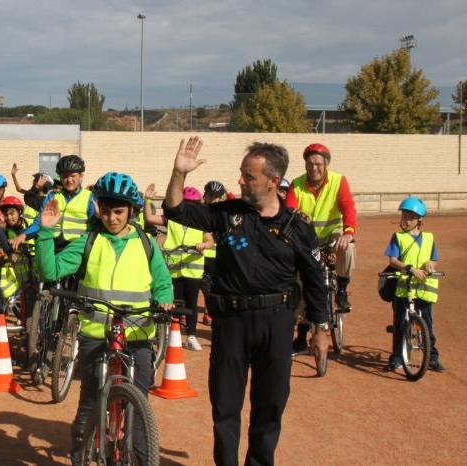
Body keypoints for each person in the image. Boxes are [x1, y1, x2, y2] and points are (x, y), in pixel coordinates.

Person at [162, 137, 328, 466]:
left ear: (274, 181)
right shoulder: (227, 214)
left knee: (270, 408)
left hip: (276, 322)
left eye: (248, 176)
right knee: (225, 408)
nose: (239, 180)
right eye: (241, 173)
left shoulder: (298, 227)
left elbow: (315, 280)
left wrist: (321, 327)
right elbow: (175, 209)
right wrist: (179, 173)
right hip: (231, 324)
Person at [36, 172, 174, 464]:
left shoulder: (147, 244)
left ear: (131, 212)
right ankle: (79, 456)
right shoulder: (89, 241)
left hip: (137, 335)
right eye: (107, 210)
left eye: (119, 211)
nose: (112, 218)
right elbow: (50, 271)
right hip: (96, 334)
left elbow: (162, 281)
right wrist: (46, 232)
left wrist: (165, 299)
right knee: (90, 403)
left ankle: (138, 459)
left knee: (138, 409)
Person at [286, 143, 357, 354]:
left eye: (318, 163)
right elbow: (289, 211)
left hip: (332, 235)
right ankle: (301, 335)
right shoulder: (297, 184)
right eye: (310, 164)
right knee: (301, 283)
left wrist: (348, 232)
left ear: (326, 164)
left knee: (349, 249)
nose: (314, 168)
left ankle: (342, 288)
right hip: (306, 240)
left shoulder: (338, 181)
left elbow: (348, 207)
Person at [385, 197, 445, 372]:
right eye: (404, 215)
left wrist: (430, 265)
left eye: (410, 217)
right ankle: (396, 358)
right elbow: (393, 260)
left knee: (428, 324)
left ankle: (432, 358)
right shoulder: (398, 237)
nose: (406, 220)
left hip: (425, 289)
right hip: (404, 288)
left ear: (420, 219)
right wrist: (410, 269)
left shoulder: (429, 238)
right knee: (400, 324)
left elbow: (434, 259)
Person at [151, 185, 214, 351]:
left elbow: (210, 240)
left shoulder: (201, 223)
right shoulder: (172, 221)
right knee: (173, 304)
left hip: (193, 271)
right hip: (174, 269)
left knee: (191, 304)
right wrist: (147, 199)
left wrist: (204, 244)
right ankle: (173, 335)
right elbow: (150, 218)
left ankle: (192, 335)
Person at [19, 155, 96, 251]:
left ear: (81, 176)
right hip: (54, 248)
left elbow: (95, 227)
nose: (69, 180)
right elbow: (40, 221)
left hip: (78, 250)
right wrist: (23, 235)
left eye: (73, 176)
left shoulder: (90, 198)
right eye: (65, 176)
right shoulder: (52, 196)